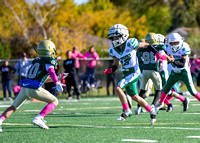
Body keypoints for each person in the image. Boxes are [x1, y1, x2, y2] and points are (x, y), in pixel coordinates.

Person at [0, 40, 64, 132]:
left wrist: (57, 79)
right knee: (55, 101)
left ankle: (0, 121)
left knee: (13, 107)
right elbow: (51, 71)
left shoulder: (36, 61)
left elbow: (42, 79)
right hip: (34, 89)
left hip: (25, 88)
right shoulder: (48, 62)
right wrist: (56, 82)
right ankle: (39, 118)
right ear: (49, 51)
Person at [104, 24, 157, 125]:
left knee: (118, 88)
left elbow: (146, 44)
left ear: (122, 36)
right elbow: (116, 64)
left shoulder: (130, 43)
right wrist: (111, 69)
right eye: (112, 37)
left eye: (116, 37)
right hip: (126, 73)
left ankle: (126, 111)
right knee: (135, 97)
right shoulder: (113, 50)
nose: (113, 39)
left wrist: (156, 53)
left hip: (134, 72)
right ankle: (152, 111)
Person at [155, 33, 200, 110]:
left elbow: (182, 64)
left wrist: (172, 60)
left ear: (180, 41)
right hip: (174, 72)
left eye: (176, 42)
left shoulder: (184, 47)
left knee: (192, 91)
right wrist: (150, 46)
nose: (174, 45)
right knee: (166, 88)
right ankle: (161, 102)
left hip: (184, 72)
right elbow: (158, 51)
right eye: (172, 43)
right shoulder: (167, 48)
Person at [135, 33, 164, 115]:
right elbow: (163, 48)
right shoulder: (158, 48)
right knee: (159, 89)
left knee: (142, 90)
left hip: (144, 71)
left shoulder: (142, 50)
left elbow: (139, 49)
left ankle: (138, 107)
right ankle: (153, 105)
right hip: (154, 71)